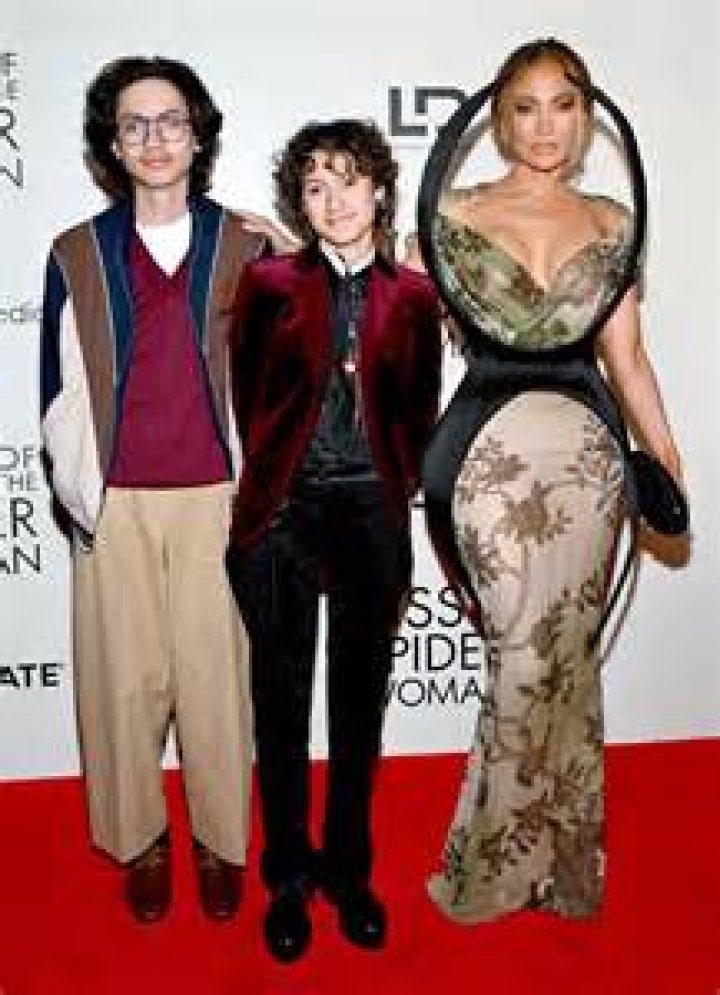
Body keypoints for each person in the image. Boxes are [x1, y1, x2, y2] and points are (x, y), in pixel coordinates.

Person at [412, 39, 684, 923]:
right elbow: (386, 328)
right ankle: (493, 865)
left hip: (590, 461)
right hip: (485, 457)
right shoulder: (452, 212)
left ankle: (560, 866)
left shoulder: (612, 221)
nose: (545, 126)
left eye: (563, 106)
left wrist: (667, 459)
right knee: (524, 653)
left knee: (567, 656)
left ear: (586, 117)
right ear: (499, 119)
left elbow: (627, 358)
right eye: (524, 107)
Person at [40, 55, 291, 924]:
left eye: (171, 121)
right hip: (116, 498)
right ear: (113, 144)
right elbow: (54, 385)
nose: (154, 139)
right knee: (123, 683)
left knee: (218, 680)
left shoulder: (247, 246)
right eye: (134, 125)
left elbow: (303, 368)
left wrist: (296, 257)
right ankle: (140, 837)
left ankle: (220, 840)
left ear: (198, 135)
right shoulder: (75, 252)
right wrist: (81, 489)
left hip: (219, 497)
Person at [225, 119, 442, 961]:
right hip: (283, 514)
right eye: (315, 186)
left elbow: (419, 405)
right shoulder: (269, 283)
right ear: (300, 203)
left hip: (371, 517)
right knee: (279, 707)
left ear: (380, 190)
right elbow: (250, 396)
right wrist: (277, 487)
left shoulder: (415, 295)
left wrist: (388, 486)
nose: (334, 200)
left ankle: (350, 874)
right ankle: (287, 878)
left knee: (359, 708)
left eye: (349, 181)